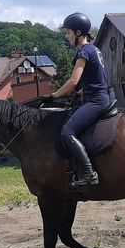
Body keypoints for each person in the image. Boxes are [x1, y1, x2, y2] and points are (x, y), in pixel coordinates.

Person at [45, 12, 110, 189]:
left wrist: (54, 95)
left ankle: (89, 173)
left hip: (95, 101)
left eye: (68, 33)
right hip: (97, 96)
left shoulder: (84, 52)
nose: (67, 37)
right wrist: (81, 92)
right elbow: (95, 79)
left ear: (78, 32)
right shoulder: (94, 49)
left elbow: (73, 81)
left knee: (67, 131)